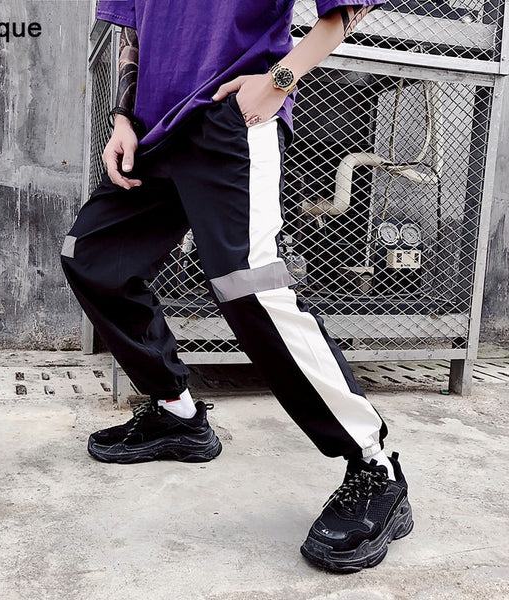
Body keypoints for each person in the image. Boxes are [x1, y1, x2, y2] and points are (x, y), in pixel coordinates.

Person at [61, 0, 413, 573]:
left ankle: (375, 465)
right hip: (153, 129)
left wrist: (279, 81)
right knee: (92, 256)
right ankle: (176, 414)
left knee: (249, 286)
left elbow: (346, 9)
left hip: (229, 121)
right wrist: (122, 117)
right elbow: (134, 33)